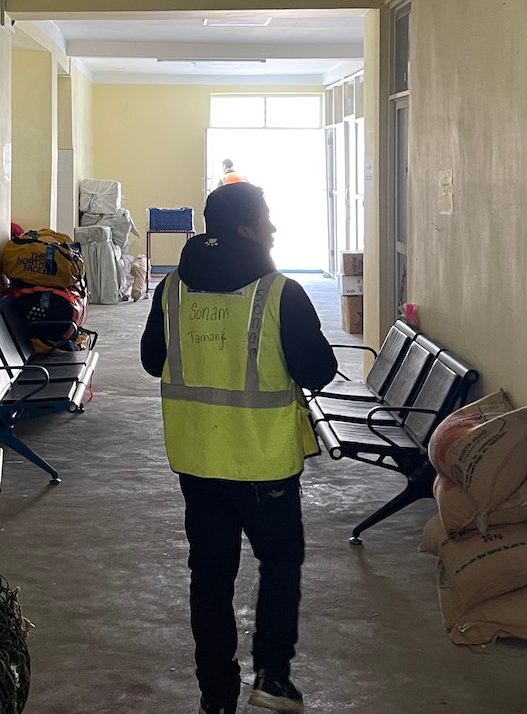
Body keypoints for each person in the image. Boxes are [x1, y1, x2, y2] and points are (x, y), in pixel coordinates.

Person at [141, 182, 336, 714]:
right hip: (263, 461)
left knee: (209, 574)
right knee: (279, 561)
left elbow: (150, 360)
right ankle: (272, 676)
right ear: (248, 228)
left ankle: (216, 695)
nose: (273, 228)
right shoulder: (279, 292)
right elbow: (320, 369)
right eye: (266, 218)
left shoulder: (173, 289)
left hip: (197, 461)